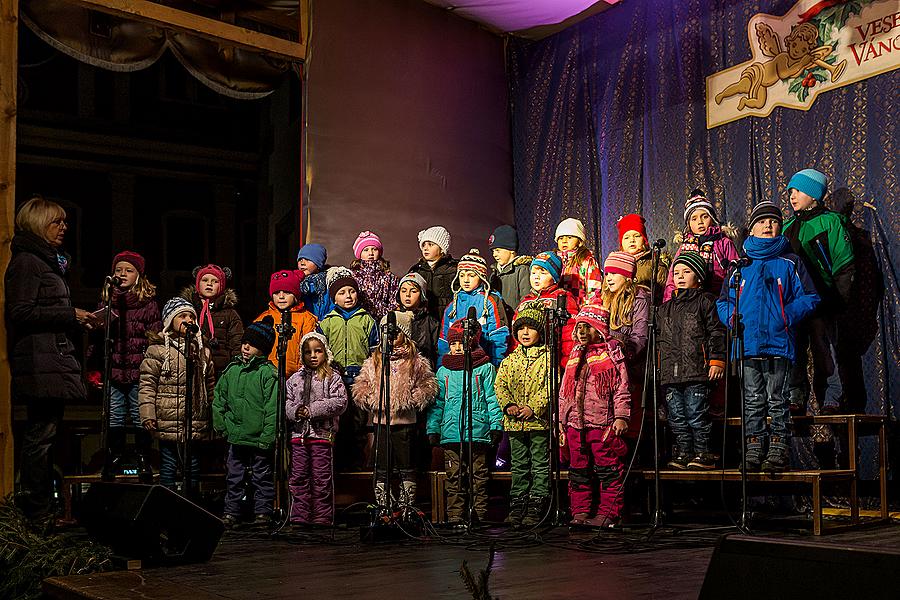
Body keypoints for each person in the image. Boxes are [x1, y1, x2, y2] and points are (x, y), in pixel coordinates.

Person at [6, 196, 99, 520]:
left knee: (45, 435)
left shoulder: (48, 261)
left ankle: (42, 509)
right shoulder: (29, 262)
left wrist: (76, 321)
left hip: (51, 359)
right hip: (39, 362)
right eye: (56, 221)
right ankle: (37, 512)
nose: (64, 227)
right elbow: (20, 310)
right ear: (37, 223)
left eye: (64, 221)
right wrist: (68, 313)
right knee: (40, 437)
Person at [718, 201, 819, 471]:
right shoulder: (740, 265)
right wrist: (732, 318)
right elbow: (724, 301)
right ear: (752, 228)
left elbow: (810, 297)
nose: (768, 225)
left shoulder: (790, 262)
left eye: (773, 221)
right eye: (762, 221)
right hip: (748, 344)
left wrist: (785, 316)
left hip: (779, 343)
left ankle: (778, 449)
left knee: (778, 398)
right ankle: (753, 448)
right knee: (752, 399)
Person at [782, 168, 855, 415]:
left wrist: (837, 300)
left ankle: (831, 397)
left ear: (814, 195)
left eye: (799, 191)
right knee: (794, 351)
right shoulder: (787, 226)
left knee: (825, 350)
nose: (792, 196)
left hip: (822, 301)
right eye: (791, 191)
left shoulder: (831, 222)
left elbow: (844, 264)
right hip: (794, 303)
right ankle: (795, 397)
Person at [353, 311, 438, 511]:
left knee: (406, 466)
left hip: (405, 424)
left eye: (395, 334)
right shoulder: (375, 359)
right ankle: (384, 506)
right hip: (381, 423)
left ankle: (406, 506)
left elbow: (428, 385)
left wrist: (414, 398)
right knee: (381, 467)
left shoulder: (415, 361)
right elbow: (361, 385)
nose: (390, 338)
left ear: (405, 335)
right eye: (387, 334)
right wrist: (369, 396)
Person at [559, 303, 632, 528]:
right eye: (579, 327)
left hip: (601, 423)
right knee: (578, 471)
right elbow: (565, 390)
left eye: (587, 327)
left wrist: (621, 416)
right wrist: (561, 421)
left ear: (598, 329)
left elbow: (621, 387)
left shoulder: (611, 355)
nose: (581, 332)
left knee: (608, 469)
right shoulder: (574, 355)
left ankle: (609, 513)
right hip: (575, 424)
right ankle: (580, 511)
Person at [427, 320, 504, 526]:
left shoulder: (485, 368)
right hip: (452, 433)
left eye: (461, 343)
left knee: (479, 476)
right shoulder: (444, 371)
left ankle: (480, 514)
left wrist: (496, 425)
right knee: (455, 477)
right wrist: (433, 428)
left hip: (478, 431)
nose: (458, 347)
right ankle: (455, 515)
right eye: (453, 344)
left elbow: (492, 399)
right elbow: (438, 403)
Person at [656, 252, 726, 470]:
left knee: (696, 413)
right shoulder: (664, 308)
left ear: (699, 276)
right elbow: (658, 340)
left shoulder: (705, 301)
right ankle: (684, 451)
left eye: (686, 271)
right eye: (676, 272)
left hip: (696, 370)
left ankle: (703, 452)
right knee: (676, 416)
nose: (680, 276)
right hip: (671, 373)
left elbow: (716, 332)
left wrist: (717, 360)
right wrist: (659, 368)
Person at [139, 297, 216, 491]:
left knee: (193, 464)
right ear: (170, 321)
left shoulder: (201, 351)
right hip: (168, 417)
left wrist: (213, 414)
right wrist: (148, 414)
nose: (188, 319)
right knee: (169, 464)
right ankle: (168, 502)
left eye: (191, 316)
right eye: (182, 316)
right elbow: (147, 384)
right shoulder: (157, 350)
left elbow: (210, 385)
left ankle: (191, 503)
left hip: (194, 418)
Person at [97, 250, 161, 481]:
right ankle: (114, 457)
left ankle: (143, 458)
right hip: (114, 369)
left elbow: (155, 335)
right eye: (118, 270)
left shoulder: (148, 303)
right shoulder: (107, 299)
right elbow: (98, 337)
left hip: (139, 371)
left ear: (139, 275)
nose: (122, 274)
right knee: (114, 416)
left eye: (128, 270)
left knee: (138, 414)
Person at [213, 317, 278, 528]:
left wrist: (267, 437)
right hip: (236, 437)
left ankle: (263, 512)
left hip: (258, 438)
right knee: (234, 477)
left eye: (253, 344)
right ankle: (232, 512)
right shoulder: (232, 371)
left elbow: (272, 409)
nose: (246, 347)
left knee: (262, 476)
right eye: (245, 343)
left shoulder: (268, 374)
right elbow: (219, 399)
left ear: (264, 349)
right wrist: (222, 426)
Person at [494, 301, 551, 529]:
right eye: (521, 328)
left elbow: (550, 387)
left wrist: (534, 408)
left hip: (538, 423)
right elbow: (500, 385)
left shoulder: (547, 358)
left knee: (539, 464)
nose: (525, 332)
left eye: (531, 328)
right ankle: (518, 504)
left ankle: (537, 504)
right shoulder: (510, 360)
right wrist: (508, 405)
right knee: (518, 465)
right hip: (514, 424)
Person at [285, 332, 347, 527]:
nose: (313, 356)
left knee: (321, 479)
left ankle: (322, 516)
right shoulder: (294, 379)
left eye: (317, 351)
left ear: (325, 353)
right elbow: (287, 403)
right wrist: (296, 411)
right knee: (299, 477)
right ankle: (300, 516)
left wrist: (312, 410)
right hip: (299, 436)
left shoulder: (332, 377)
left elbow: (340, 402)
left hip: (321, 436)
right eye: (307, 352)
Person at [319, 271, 379, 470]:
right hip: (335, 379)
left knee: (358, 424)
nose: (348, 296)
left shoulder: (367, 321)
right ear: (334, 297)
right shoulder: (326, 322)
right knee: (338, 424)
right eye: (342, 292)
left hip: (359, 379)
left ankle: (357, 466)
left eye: (352, 291)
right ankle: (338, 466)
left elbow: (374, 352)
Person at [664, 189, 740, 302]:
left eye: (704, 217)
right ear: (689, 224)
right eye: (694, 219)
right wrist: (669, 304)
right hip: (689, 302)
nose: (700, 222)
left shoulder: (724, 243)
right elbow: (672, 278)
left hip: (718, 299)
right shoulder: (684, 247)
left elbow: (735, 273)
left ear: (712, 219)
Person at [437, 249, 509, 367]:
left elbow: (499, 336)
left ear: (481, 277)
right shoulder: (452, 307)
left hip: (482, 365)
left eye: (471, 275)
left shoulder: (489, 302)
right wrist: (441, 368)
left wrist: (497, 365)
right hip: (455, 368)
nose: (465, 280)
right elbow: (444, 341)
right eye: (462, 275)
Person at [514, 251, 578, 370]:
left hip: (552, 363)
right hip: (526, 366)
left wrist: (566, 363)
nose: (536, 276)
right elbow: (516, 335)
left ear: (554, 277)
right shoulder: (525, 301)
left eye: (543, 272)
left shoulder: (562, 298)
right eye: (533, 272)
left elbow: (569, 334)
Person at [181, 264, 243, 379]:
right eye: (205, 280)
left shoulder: (229, 313)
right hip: (191, 366)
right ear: (197, 283)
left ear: (222, 285)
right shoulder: (187, 308)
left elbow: (236, 343)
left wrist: (235, 368)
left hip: (220, 370)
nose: (209, 284)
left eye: (215, 281)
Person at [255, 269, 318, 378]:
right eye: (276, 293)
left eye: (287, 292)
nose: (281, 296)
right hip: (267, 375)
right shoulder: (263, 318)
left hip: (297, 376)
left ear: (295, 295)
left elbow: (310, 349)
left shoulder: (307, 319)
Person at [407, 226, 459, 321]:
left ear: (441, 249)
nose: (425, 248)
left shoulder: (454, 269)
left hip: (448, 317)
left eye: (430, 245)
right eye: (423, 245)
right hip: (424, 319)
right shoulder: (417, 270)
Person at [616, 213, 670, 303]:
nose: (632, 240)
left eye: (637, 236)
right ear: (621, 243)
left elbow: (663, 292)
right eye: (626, 237)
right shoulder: (616, 265)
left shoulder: (654, 263)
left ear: (644, 240)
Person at [350, 231, 400, 322]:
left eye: (374, 249)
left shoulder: (389, 277)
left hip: (383, 320)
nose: (370, 253)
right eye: (366, 250)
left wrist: (386, 314)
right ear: (359, 253)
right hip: (359, 320)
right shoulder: (353, 276)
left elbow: (394, 301)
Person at [554, 217, 602, 307]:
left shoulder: (586, 261)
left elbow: (594, 290)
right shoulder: (554, 261)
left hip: (579, 309)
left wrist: (588, 310)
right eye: (561, 238)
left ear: (579, 241)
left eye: (569, 237)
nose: (564, 241)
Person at [396, 272, 439, 369]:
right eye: (403, 291)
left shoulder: (432, 323)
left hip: (423, 373)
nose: (407, 295)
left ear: (422, 295)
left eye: (413, 291)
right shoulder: (394, 319)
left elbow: (437, 352)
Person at [488, 225, 532, 317]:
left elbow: (526, 299)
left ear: (511, 250)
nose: (494, 255)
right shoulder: (494, 274)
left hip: (515, 321)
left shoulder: (522, 270)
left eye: (498, 250)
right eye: (493, 251)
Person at [296, 243, 333, 321]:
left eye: (308, 259)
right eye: (300, 260)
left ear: (318, 264)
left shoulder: (328, 283)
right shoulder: (296, 284)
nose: (302, 263)